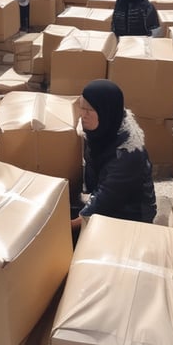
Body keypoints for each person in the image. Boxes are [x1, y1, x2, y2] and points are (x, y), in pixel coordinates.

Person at [71, 79, 157, 232]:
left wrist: (64, 227)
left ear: (105, 111)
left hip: (131, 217)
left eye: (90, 110)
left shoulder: (127, 156)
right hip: (109, 199)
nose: (83, 115)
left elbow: (103, 202)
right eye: (82, 107)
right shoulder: (106, 127)